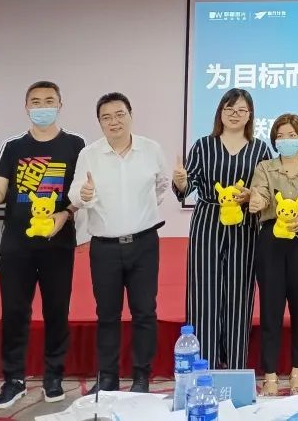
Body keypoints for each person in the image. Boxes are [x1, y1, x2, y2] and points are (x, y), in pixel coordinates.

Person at [0, 81, 86, 409]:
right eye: (36, 101)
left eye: (49, 101)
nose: (43, 107)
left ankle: (53, 376)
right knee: (14, 311)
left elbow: (80, 193)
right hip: (17, 245)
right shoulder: (13, 146)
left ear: (60, 105)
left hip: (58, 243)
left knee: (57, 310)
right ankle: (13, 380)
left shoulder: (75, 144)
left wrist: (66, 213)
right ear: (27, 106)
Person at [70, 93, 170, 393]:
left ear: (130, 115)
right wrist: (83, 195)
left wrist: (141, 212)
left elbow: (161, 186)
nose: (114, 122)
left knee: (144, 312)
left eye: (119, 114)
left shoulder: (151, 149)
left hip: (144, 243)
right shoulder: (89, 154)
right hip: (104, 247)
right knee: (107, 314)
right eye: (106, 117)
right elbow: (75, 192)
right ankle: (108, 377)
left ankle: (141, 376)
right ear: (99, 122)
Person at [173, 88, 271, 369]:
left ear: (250, 115)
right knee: (204, 292)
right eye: (229, 109)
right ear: (220, 112)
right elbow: (187, 187)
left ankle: (236, 364)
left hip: (244, 225)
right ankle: (204, 364)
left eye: (241, 110)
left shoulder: (261, 149)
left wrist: (253, 197)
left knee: (240, 293)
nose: (235, 114)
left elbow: (265, 189)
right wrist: (181, 181)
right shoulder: (204, 145)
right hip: (208, 221)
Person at [248, 114, 298, 397]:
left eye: (292, 135)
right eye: (281, 136)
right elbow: (260, 195)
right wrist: (257, 200)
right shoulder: (265, 167)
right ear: (274, 140)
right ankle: (270, 374)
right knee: (271, 308)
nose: (286, 140)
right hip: (271, 240)